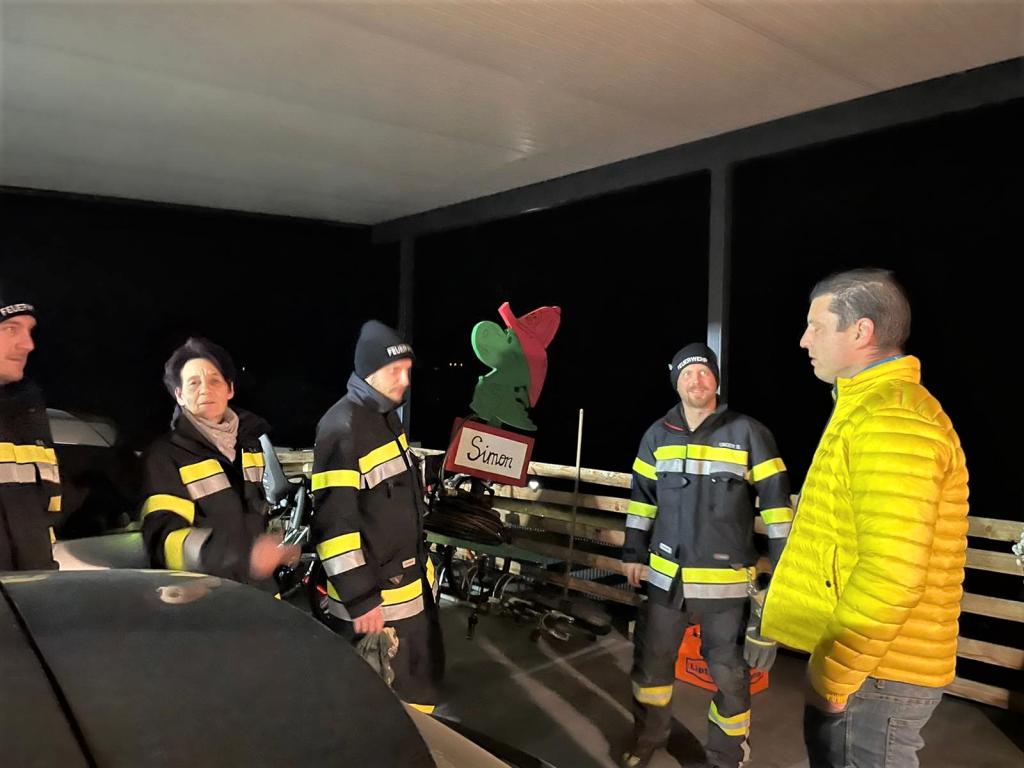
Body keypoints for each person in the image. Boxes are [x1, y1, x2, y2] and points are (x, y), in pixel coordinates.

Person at [761, 269, 969, 768]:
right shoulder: (871, 407)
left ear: (860, 331)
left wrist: (833, 675)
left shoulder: (892, 419)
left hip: (877, 674)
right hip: (872, 667)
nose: (804, 339)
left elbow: (892, 574)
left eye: (816, 325)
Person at [621, 342, 793, 768]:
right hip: (667, 581)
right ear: (676, 382)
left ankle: (726, 754)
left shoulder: (749, 433)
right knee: (651, 670)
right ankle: (648, 737)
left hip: (727, 586)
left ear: (716, 379)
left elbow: (777, 511)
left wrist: (782, 578)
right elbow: (642, 501)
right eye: (686, 374)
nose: (695, 380)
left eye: (703, 372)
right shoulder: (656, 436)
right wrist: (633, 553)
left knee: (730, 676)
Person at [311, 320, 444, 712]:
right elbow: (334, 526)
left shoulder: (386, 417)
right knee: (376, 705)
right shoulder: (342, 426)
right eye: (394, 371)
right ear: (369, 371)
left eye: (408, 371)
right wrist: (361, 598)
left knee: (417, 685)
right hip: (376, 604)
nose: (405, 381)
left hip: (407, 590)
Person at [140, 337, 297, 583]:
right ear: (179, 395)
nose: (205, 389)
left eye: (215, 380)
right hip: (206, 595)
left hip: (259, 591)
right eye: (194, 383)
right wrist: (244, 557)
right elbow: (164, 540)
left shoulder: (249, 446)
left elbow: (256, 516)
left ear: (230, 389)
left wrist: (276, 545)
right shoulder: (163, 456)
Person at [0, 291, 60, 570]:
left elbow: (45, 517)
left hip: (32, 592)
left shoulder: (28, 413)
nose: (28, 344)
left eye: (29, 331)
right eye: (11, 329)